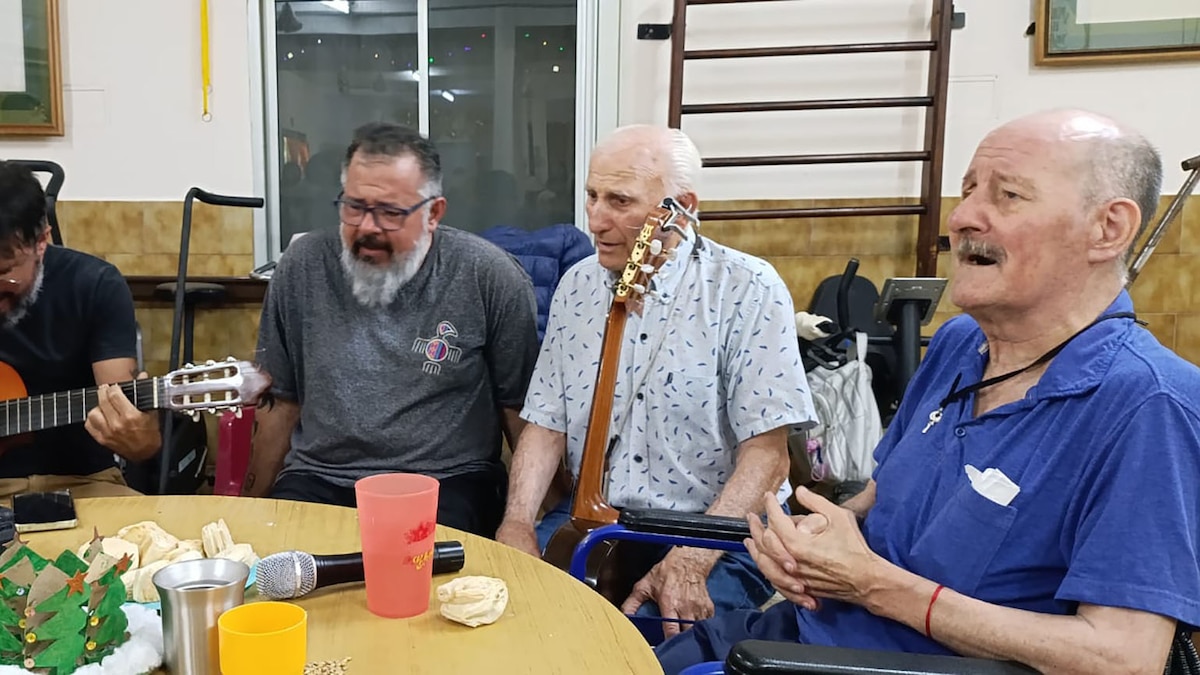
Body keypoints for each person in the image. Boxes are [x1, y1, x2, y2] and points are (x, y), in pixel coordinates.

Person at [655, 108, 1200, 675]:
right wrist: (814, 539)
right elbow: (880, 496)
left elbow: (1122, 658)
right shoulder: (962, 344)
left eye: (1009, 195)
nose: (963, 217)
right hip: (804, 630)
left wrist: (874, 586)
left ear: (1107, 229)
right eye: (966, 192)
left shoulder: (1151, 406)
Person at [495, 124, 817, 638]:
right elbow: (545, 423)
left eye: (619, 201)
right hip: (599, 521)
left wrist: (692, 558)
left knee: (642, 643)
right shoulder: (577, 286)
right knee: (517, 625)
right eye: (592, 196)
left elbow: (769, 455)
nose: (596, 219)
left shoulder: (749, 289)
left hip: (714, 529)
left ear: (681, 207)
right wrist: (517, 523)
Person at [245, 122, 540, 539]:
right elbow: (282, 402)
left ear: (434, 213)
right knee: (285, 572)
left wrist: (524, 520)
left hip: (446, 482)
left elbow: (522, 413)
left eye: (390, 212)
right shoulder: (303, 266)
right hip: (321, 477)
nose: (368, 227)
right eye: (354, 206)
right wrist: (249, 509)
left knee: (424, 584)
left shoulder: (488, 277)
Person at [0, 160, 160, 500]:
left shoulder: (94, 284)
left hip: (84, 481)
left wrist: (140, 437)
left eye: (4, 273)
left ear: (42, 241)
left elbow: (137, 437)